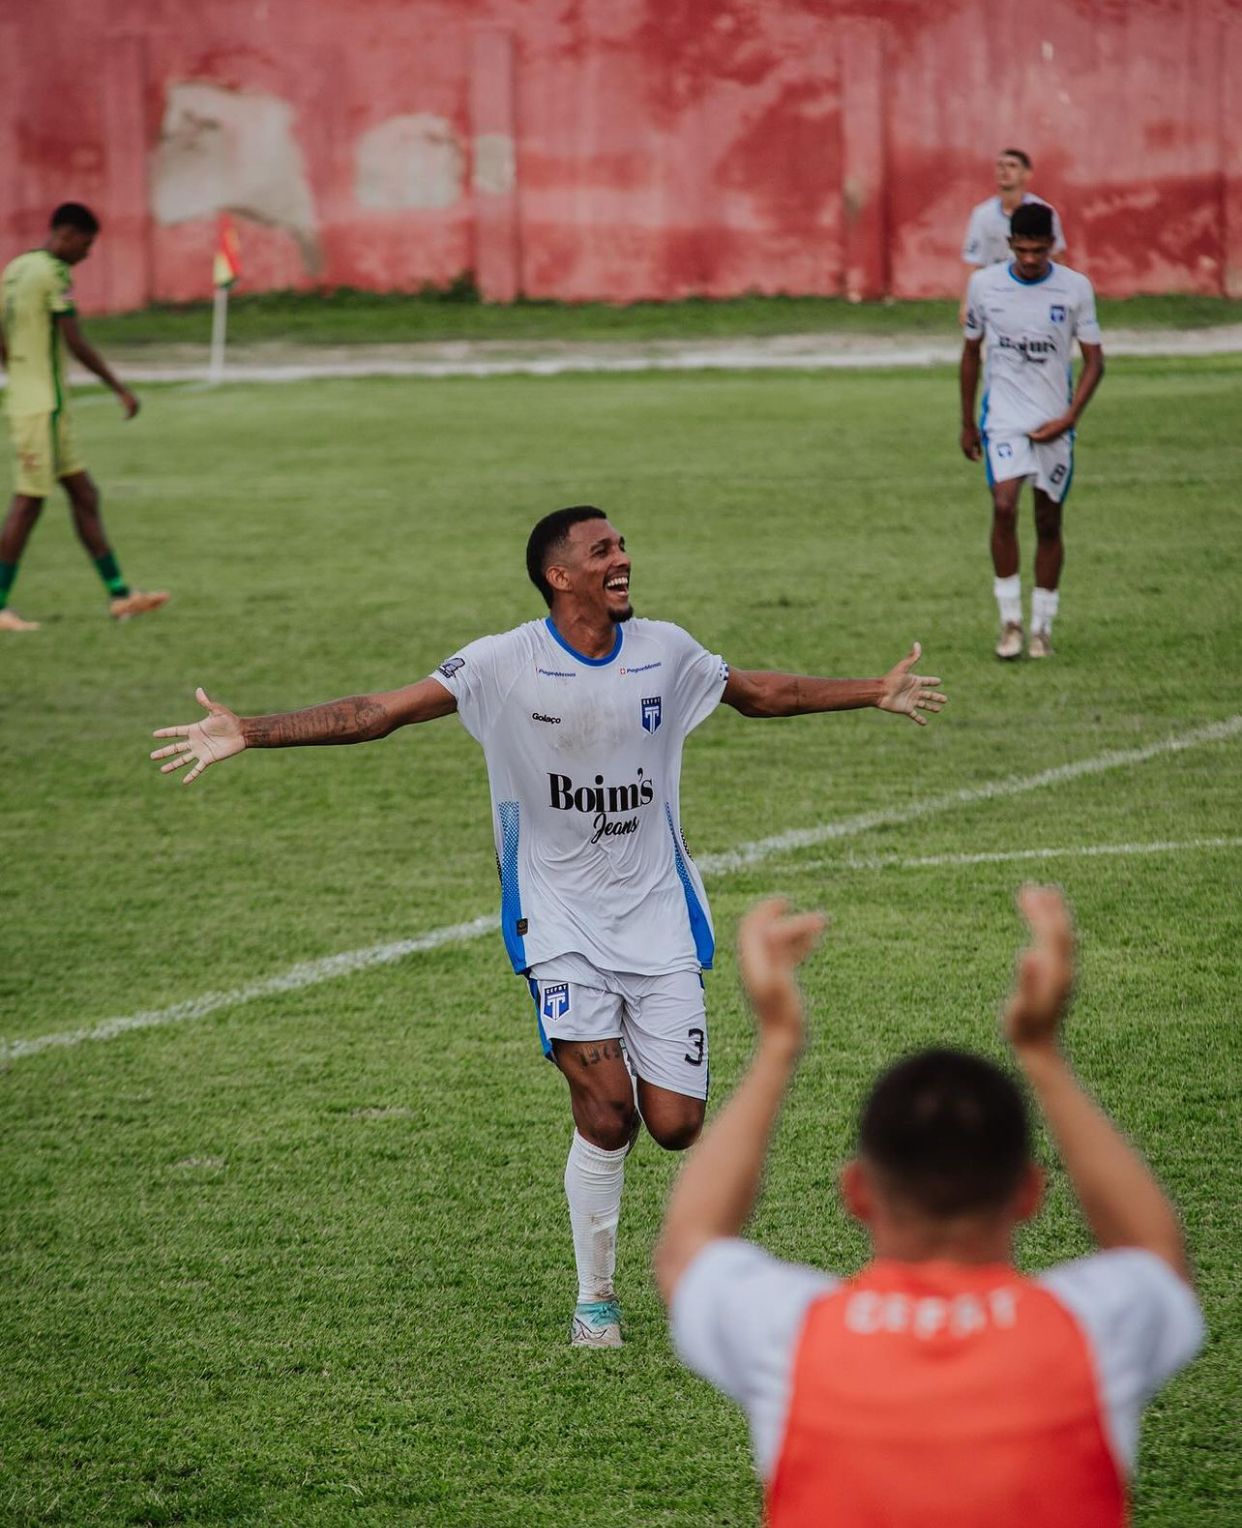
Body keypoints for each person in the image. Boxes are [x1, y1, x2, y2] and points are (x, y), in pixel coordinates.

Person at [150, 504, 947, 1347]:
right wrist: (254, 731)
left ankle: (626, 1222)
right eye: (603, 550)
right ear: (558, 575)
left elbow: (760, 694)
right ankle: (594, 1302)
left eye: (624, 546)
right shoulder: (503, 664)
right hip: (557, 921)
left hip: (658, 920)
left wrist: (874, 691)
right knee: (608, 1115)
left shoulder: (665, 651)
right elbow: (375, 712)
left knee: (674, 1126)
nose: (623, 559)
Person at [656, 887, 1203, 1526]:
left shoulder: (793, 1337)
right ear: (1030, 1193)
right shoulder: (1092, 1331)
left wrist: (777, 1042)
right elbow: (1158, 1256)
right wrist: (1042, 1053)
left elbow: (687, 1246)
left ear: (857, 1194)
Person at [0, 202, 168, 631]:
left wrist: (15, 370)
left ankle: (119, 595)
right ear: (66, 234)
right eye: (86, 244)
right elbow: (75, 341)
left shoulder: (16, 269)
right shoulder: (54, 273)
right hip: (45, 408)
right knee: (29, 502)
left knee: (84, 494)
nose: (87, 254)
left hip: (29, 398)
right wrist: (118, 386)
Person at [959, 202, 1104, 659]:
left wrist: (1069, 418)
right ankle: (1010, 623)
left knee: (1047, 518)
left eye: (1038, 250)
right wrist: (967, 421)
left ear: (1052, 247)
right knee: (1004, 507)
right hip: (1002, 416)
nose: (1029, 258)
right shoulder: (984, 286)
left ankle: (1043, 626)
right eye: (1021, 249)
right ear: (1010, 245)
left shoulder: (1075, 288)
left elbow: (1095, 362)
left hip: (1054, 420)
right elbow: (969, 354)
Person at [959, 147, 1065, 323]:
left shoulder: (1043, 213)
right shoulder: (982, 214)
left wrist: (1063, 293)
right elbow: (973, 262)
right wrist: (966, 302)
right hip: (996, 293)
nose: (1004, 170)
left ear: (1027, 174)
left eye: (1012, 165)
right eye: (1000, 165)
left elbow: (1058, 257)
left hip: (1035, 290)